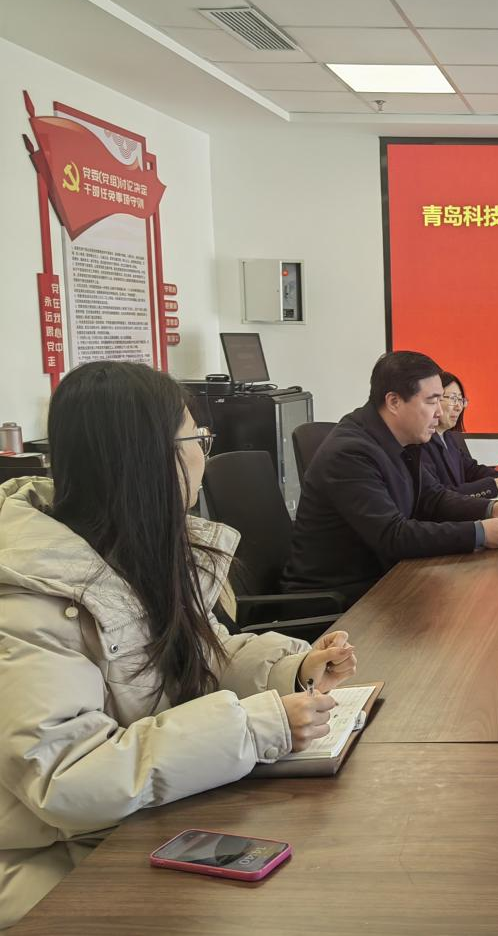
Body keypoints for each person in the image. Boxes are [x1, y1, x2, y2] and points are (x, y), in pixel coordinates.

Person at [0, 361, 358, 930]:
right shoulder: (30, 598)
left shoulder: (135, 545)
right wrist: (255, 728)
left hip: (144, 824)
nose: (203, 458)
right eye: (198, 440)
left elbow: (199, 655)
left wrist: (290, 670)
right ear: (150, 458)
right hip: (61, 871)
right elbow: (67, 778)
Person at [282, 351, 498, 604]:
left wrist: (492, 509)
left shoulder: (402, 440)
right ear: (394, 402)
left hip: (386, 579)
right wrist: (479, 532)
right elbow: (392, 536)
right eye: (431, 401)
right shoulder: (351, 453)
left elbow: (433, 498)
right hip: (343, 598)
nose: (439, 412)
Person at [420, 371, 498, 500]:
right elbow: (438, 496)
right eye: (453, 398)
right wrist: (493, 485)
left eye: (461, 400)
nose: (458, 407)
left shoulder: (448, 438)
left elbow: (472, 470)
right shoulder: (421, 442)